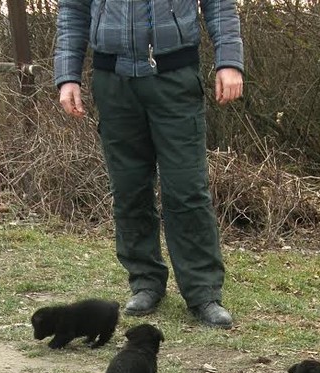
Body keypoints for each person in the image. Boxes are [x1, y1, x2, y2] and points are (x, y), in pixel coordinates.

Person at [53, 0, 244, 329]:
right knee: (129, 189)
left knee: (186, 190)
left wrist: (229, 60)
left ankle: (203, 293)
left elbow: (219, 4)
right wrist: (67, 76)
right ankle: (145, 282)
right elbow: (72, 9)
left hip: (176, 77)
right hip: (113, 82)